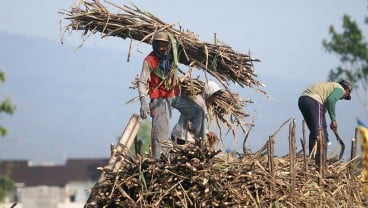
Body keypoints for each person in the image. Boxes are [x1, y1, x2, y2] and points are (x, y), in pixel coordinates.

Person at [138, 30, 207, 159]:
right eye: (159, 45)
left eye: (165, 44)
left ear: (169, 45)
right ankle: (160, 163)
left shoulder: (173, 56)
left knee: (198, 112)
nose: (162, 48)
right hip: (159, 99)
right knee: (161, 134)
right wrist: (143, 102)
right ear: (155, 45)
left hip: (175, 95)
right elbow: (142, 81)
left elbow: (187, 55)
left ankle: (200, 146)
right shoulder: (149, 60)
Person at [298, 80, 352, 164]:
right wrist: (333, 119)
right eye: (346, 96)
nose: (342, 98)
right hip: (313, 100)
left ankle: (313, 159)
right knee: (320, 132)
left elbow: (321, 113)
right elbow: (331, 100)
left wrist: (328, 122)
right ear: (347, 90)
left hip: (302, 100)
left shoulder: (329, 89)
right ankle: (320, 161)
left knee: (315, 131)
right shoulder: (340, 89)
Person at [171, 80, 221, 149]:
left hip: (179, 134)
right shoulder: (200, 103)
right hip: (183, 137)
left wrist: (207, 132)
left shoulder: (199, 99)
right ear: (209, 93)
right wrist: (207, 134)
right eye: (214, 95)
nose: (214, 99)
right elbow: (194, 127)